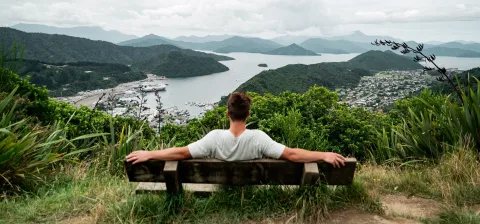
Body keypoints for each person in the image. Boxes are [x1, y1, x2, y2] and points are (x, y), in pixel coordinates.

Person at [126, 92, 346, 167]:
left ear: (227, 113)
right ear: (248, 114)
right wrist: (323, 155)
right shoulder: (259, 138)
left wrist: (150, 154)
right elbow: (292, 154)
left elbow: (182, 152)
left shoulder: (213, 138)